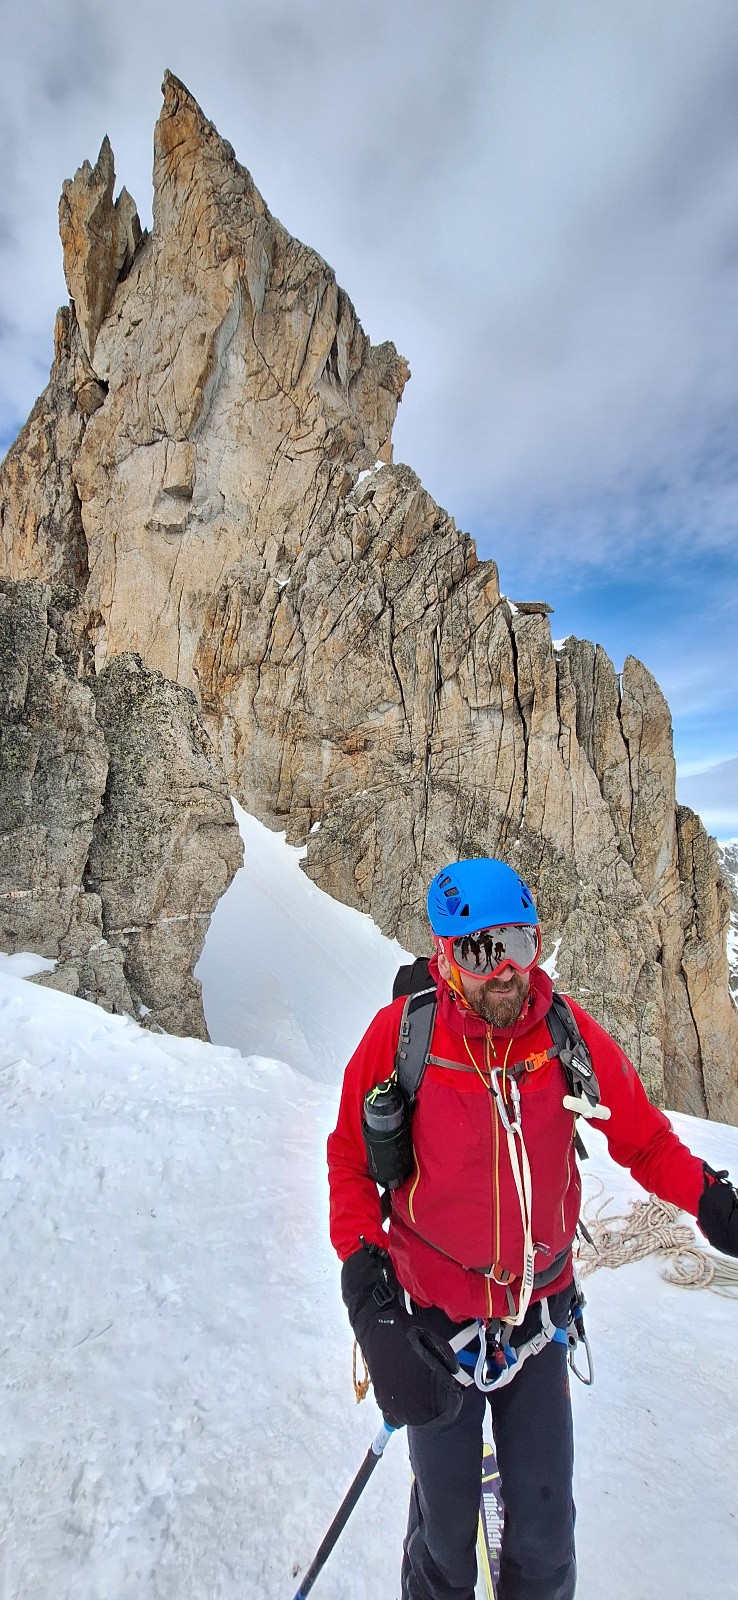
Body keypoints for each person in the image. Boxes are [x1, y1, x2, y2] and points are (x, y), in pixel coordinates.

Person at [327, 857, 738, 1600]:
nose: (503, 970)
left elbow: (642, 1139)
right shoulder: (403, 1037)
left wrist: (711, 1202)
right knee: (447, 1550)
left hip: (538, 1323)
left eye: (517, 944)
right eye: (478, 951)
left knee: (545, 1548)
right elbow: (350, 1163)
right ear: (444, 957)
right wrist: (370, 1299)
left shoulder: (565, 1035)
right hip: (433, 1330)